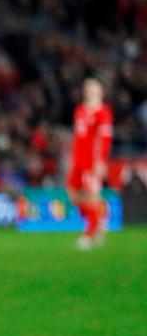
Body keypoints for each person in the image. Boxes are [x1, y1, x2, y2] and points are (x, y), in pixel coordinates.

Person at [66, 77, 113, 250]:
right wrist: (72, 158)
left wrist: (101, 161)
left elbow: (105, 139)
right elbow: (77, 137)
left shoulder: (103, 113)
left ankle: (89, 234)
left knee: (91, 195)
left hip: (91, 162)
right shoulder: (80, 110)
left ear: (100, 91)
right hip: (77, 160)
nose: (89, 90)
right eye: (87, 87)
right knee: (73, 194)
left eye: (93, 87)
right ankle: (100, 218)